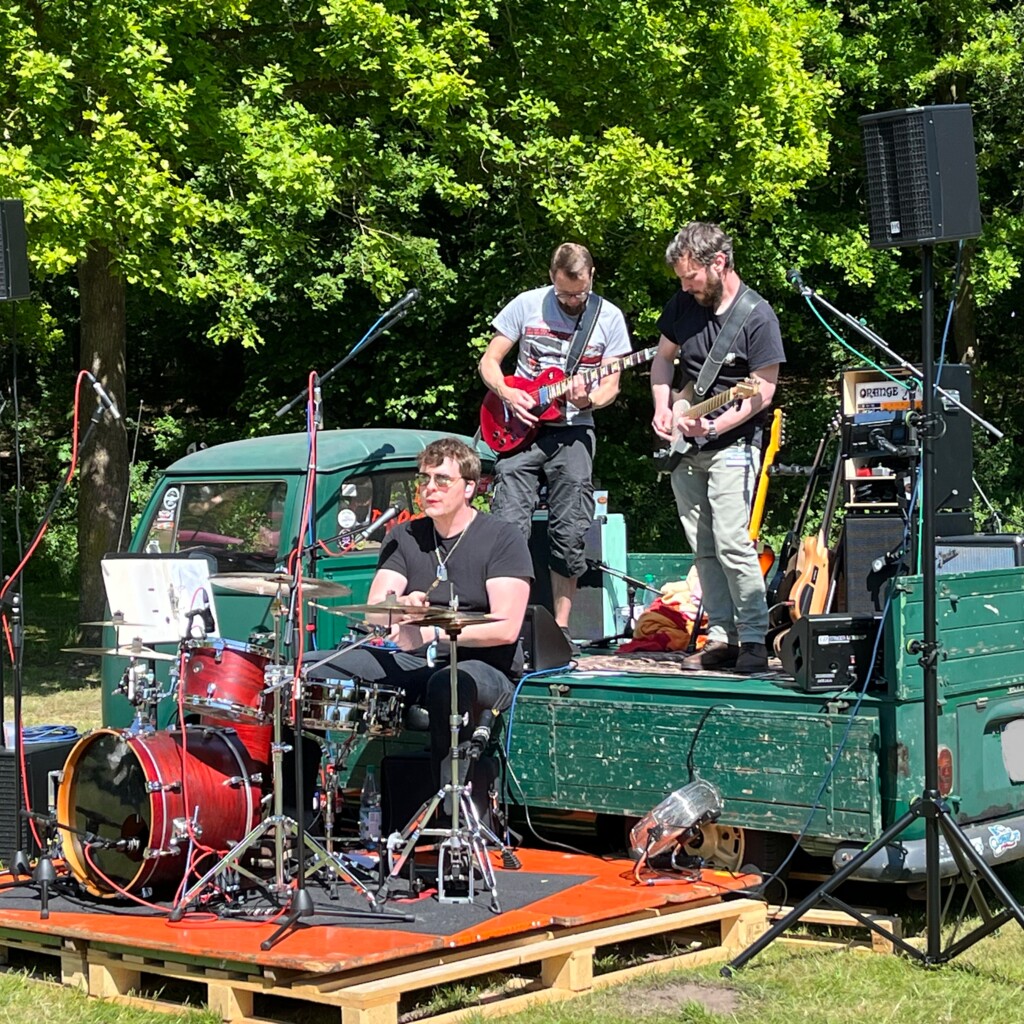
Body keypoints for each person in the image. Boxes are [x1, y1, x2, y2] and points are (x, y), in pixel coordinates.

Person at [309, 437, 534, 807]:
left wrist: (430, 633)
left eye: (442, 479)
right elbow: (377, 609)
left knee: (448, 684)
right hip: (413, 656)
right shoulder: (405, 536)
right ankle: (300, 815)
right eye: (424, 479)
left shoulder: (501, 537)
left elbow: (505, 627)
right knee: (310, 671)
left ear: (470, 487)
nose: (430, 488)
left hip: (482, 663)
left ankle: (452, 818)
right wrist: (402, 605)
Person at [479, 242, 631, 647]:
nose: (573, 301)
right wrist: (508, 393)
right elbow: (489, 362)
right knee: (508, 523)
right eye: (565, 294)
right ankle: (507, 626)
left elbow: (612, 385)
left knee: (570, 529)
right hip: (521, 425)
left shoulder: (609, 318)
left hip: (573, 429)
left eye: (579, 294)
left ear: (592, 277)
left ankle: (560, 631)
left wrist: (589, 399)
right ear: (552, 278)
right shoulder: (526, 305)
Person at [650, 222, 785, 675]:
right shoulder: (682, 306)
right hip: (685, 446)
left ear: (719, 263)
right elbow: (662, 359)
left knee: (732, 542)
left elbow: (763, 391)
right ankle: (721, 636)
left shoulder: (757, 315)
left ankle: (753, 639)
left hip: (735, 442)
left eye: (691, 276)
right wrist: (663, 408)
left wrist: (717, 423)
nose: (685, 286)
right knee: (703, 546)